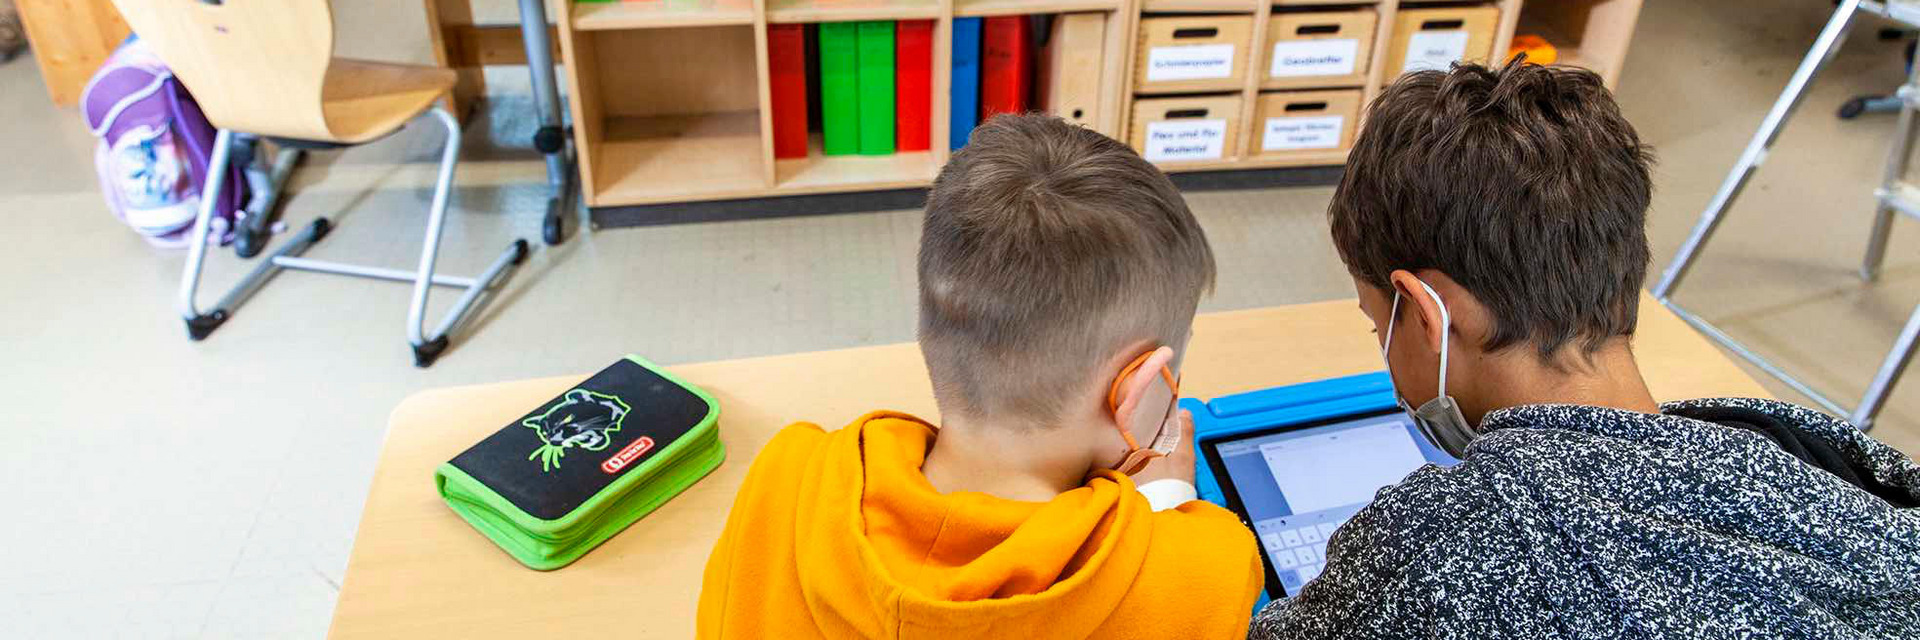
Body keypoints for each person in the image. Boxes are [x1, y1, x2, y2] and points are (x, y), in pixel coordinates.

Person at [1247, 59, 1920, 638]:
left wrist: (1166, 500)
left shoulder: (1444, 542)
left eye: (1379, 326)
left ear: (1427, 315)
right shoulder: (1808, 452)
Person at [697, 114, 1263, 639]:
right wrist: (1166, 496)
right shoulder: (1205, 571)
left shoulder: (787, 476)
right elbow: (1179, 586)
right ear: (1135, 390)